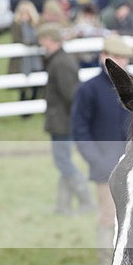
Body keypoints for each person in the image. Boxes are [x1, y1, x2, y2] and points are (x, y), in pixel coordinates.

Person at [71, 35, 133, 265]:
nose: (121, 63)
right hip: (104, 166)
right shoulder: (89, 90)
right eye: (116, 57)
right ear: (103, 57)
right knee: (108, 215)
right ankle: (106, 263)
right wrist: (96, 160)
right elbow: (80, 128)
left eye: (124, 58)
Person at [37, 23, 94, 215]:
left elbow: (72, 95)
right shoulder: (58, 60)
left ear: (49, 40)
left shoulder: (61, 62)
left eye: (42, 39)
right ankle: (63, 205)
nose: (40, 43)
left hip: (63, 121)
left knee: (63, 162)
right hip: (61, 120)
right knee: (63, 161)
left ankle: (86, 200)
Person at [8, 0, 44, 101]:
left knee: (37, 77)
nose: (25, 14)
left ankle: (34, 98)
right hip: (22, 59)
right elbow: (17, 39)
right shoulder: (16, 24)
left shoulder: (37, 23)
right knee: (22, 80)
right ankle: (23, 99)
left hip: (35, 58)